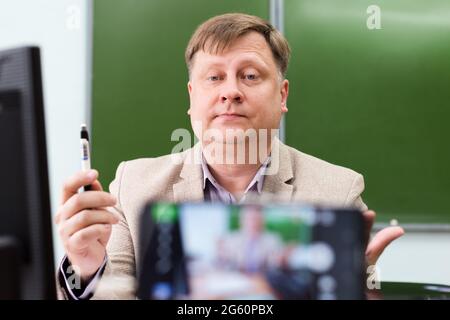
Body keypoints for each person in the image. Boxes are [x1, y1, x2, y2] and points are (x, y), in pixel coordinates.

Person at [54, 13, 404, 299]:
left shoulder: (338, 191)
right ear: (192, 98)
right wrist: (88, 267)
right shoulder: (134, 186)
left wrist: (352, 290)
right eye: (214, 77)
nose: (231, 92)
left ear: (282, 95)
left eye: (250, 76)